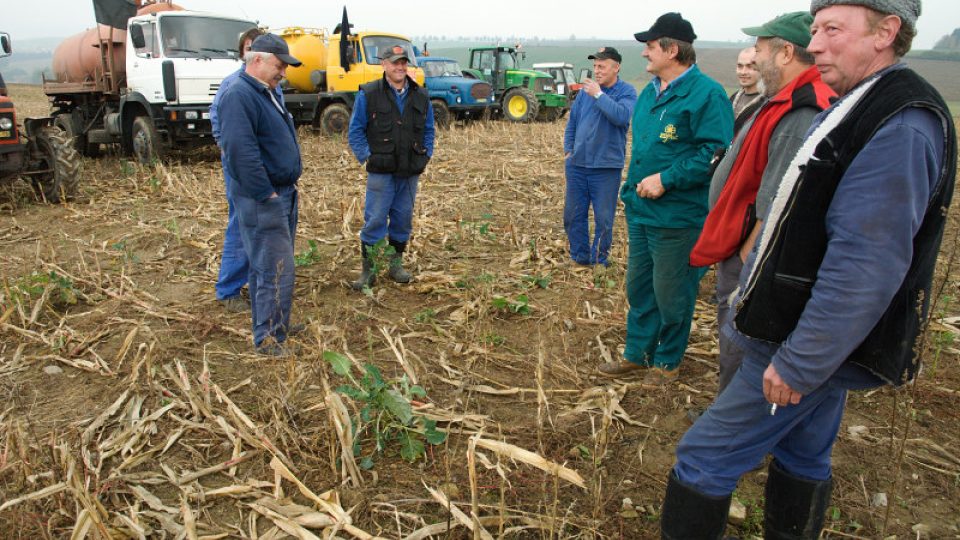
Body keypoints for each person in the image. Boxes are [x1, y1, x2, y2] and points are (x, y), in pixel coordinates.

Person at [661, 1, 956, 538]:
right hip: (812, 334)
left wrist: (801, 363)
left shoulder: (899, 122)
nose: (814, 44)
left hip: (798, 339)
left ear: (887, 32)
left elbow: (867, 263)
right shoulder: (858, 102)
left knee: (703, 457)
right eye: (815, 29)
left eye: (831, 30)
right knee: (803, 451)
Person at [689, 12, 836, 395]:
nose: (754, 58)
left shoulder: (801, 110)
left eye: (760, 49)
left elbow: (777, 204)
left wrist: (745, 263)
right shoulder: (782, 100)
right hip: (742, 247)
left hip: (752, 256)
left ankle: (733, 426)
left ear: (786, 52)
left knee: (742, 343)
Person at [598, 13, 733, 384]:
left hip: (677, 214)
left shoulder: (708, 95)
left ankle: (667, 361)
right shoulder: (649, 93)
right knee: (640, 287)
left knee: (672, 292)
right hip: (642, 210)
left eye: (651, 46)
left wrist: (668, 179)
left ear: (672, 50)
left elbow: (717, 151)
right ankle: (637, 354)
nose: (644, 53)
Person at [218, 34, 304, 356]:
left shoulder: (265, 91)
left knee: (270, 267)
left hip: (281, 193)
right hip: (263, 199)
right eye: (279, 65)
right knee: (273, 269)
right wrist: (265, 195)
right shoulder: (239, 95)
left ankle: (276, 323)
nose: (283, 72)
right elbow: (241, 154)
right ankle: (268, 339)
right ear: (257, 60)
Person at [348, 44, 435, 290]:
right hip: (380, 170)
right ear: (384, 64)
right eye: (394, 62)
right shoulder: (369, 94)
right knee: (375, 219)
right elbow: (355, 131)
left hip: (409, 170)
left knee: (402, 219)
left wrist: (426, 155)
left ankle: (395, 265)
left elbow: (429, 130)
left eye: (403, 63)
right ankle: (369, 270)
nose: (399, 67)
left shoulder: (420, 95)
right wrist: (366, 158)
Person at [211, 27, 274, 312]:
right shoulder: (234, 85)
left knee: (258, 228)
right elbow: (222, 130)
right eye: (250, 45)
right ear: (244, 52)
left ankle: (251, 284)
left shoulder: (271, 86)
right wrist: (237, 158)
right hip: (245, 170)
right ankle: (228, 290)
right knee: (241, 224)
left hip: (263, 168)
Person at [562, 47, 637, 267]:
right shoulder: (584, 94)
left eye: (602, 66)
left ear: (616, 67)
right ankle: (580, 257)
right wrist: (569, 151)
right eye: (595, 66)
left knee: (604, 219)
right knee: (573, 216)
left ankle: (599, 259)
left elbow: (621, 117)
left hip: (606, 168)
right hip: (577, 165)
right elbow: (572, 123)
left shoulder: (626, 92)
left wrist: (598, 94)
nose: (597, 70)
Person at [730, 47, 764, 135]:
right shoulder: (732, 99)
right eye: (740, 66)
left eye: (750, 66)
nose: (743, 72)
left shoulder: (766, 103)